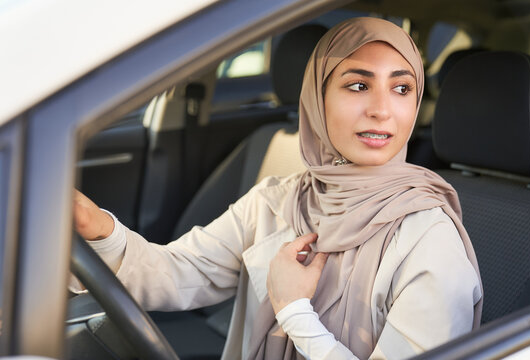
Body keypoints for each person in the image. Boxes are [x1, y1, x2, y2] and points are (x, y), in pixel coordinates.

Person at [72, 17, 483, 360]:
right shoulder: (277, 199)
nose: (382, 108)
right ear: (317, 99)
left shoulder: (428, 238)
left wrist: (294, 312)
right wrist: (98, 229)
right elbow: (176, 273)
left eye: (402, 88)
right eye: (358, 85)